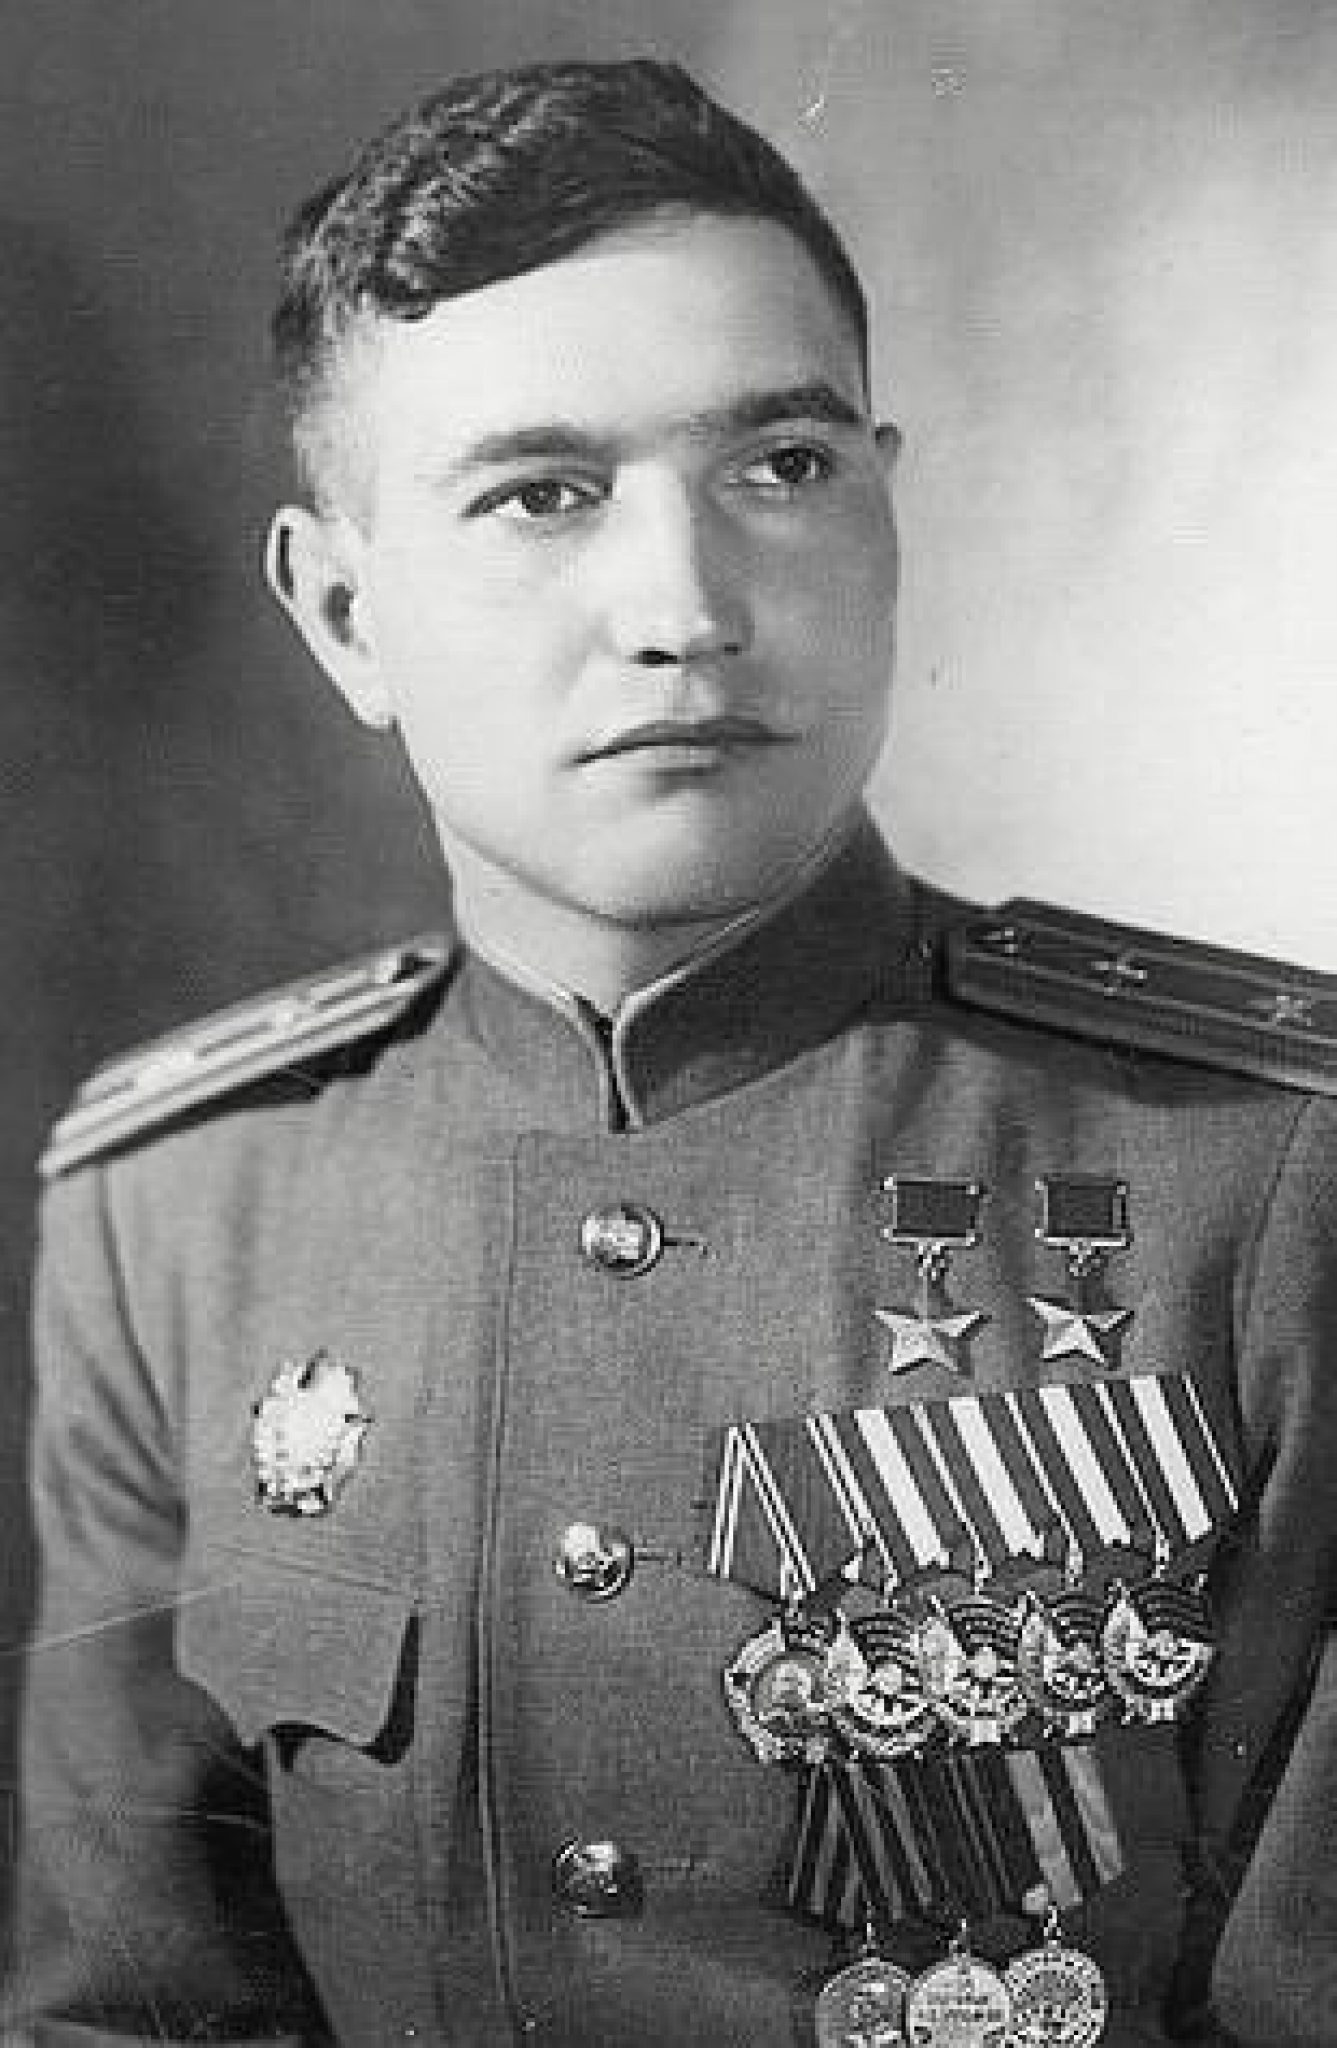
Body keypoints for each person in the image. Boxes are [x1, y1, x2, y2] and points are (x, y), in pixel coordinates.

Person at [5, 56, 1336, 2048]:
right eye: (540, 494)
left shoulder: (1267, 1169)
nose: (687, 608)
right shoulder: (179, 1211)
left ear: (887, 507)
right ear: (345, 615)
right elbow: (130, 2008)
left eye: (781, 466)